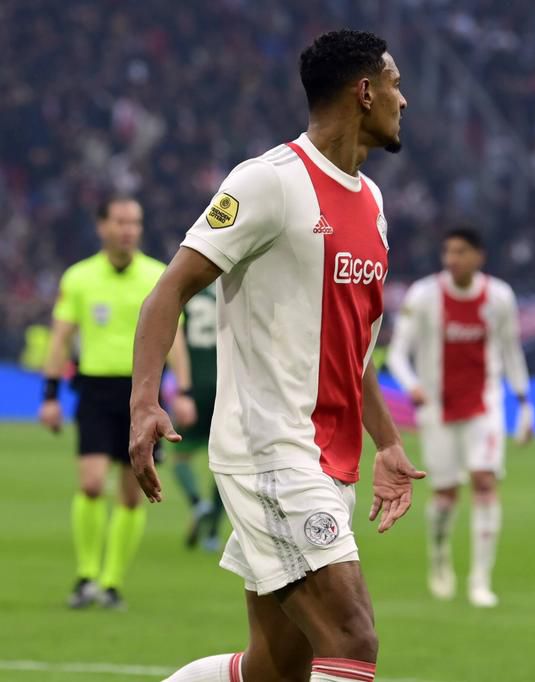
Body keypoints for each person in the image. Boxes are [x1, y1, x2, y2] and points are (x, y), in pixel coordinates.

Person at [130, 29, 423, 682]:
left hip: (330, 461)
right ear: (365, 92)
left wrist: (387, 442)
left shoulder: (372, 203)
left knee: (277, 668)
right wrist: (144, 401)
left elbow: (352, 345)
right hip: (271, 450)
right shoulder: (268, 182)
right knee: (352, 639)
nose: (403, 100)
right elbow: (167, 291)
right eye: (396, 84)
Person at [38, 195, 195, 610]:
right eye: (121, 222)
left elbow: (174, 339)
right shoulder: (79, 277)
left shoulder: (158, 275)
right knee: (90, 484)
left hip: (141, 394)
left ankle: (110, 582)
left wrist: (183, 392)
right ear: (102, 226)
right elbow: (61, 337)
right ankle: (86, 575)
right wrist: (50, 396)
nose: (128, 230)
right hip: (94, 390)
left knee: (130, 494)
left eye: (135, 223)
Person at [387, 227, 533, 607]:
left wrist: (524, 403)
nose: (452, 259)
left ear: (479, 256)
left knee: (484, 481)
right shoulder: (423, 296)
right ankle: (439, 558)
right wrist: (411, 385)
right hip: (437, 409)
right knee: (445, 492)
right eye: (448, 252)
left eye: (461, 252)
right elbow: (398, 352)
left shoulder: (499, 296)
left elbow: (511, 350)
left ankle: (480, 580)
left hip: (484, 406)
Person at [175, 283, 226, 551]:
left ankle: (198, 503)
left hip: (193, 388)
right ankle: (213, 531)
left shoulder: (187, 291)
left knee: (180, 456)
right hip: (228, 389)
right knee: (228, 464)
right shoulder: (234, 288)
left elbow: (174, 341)